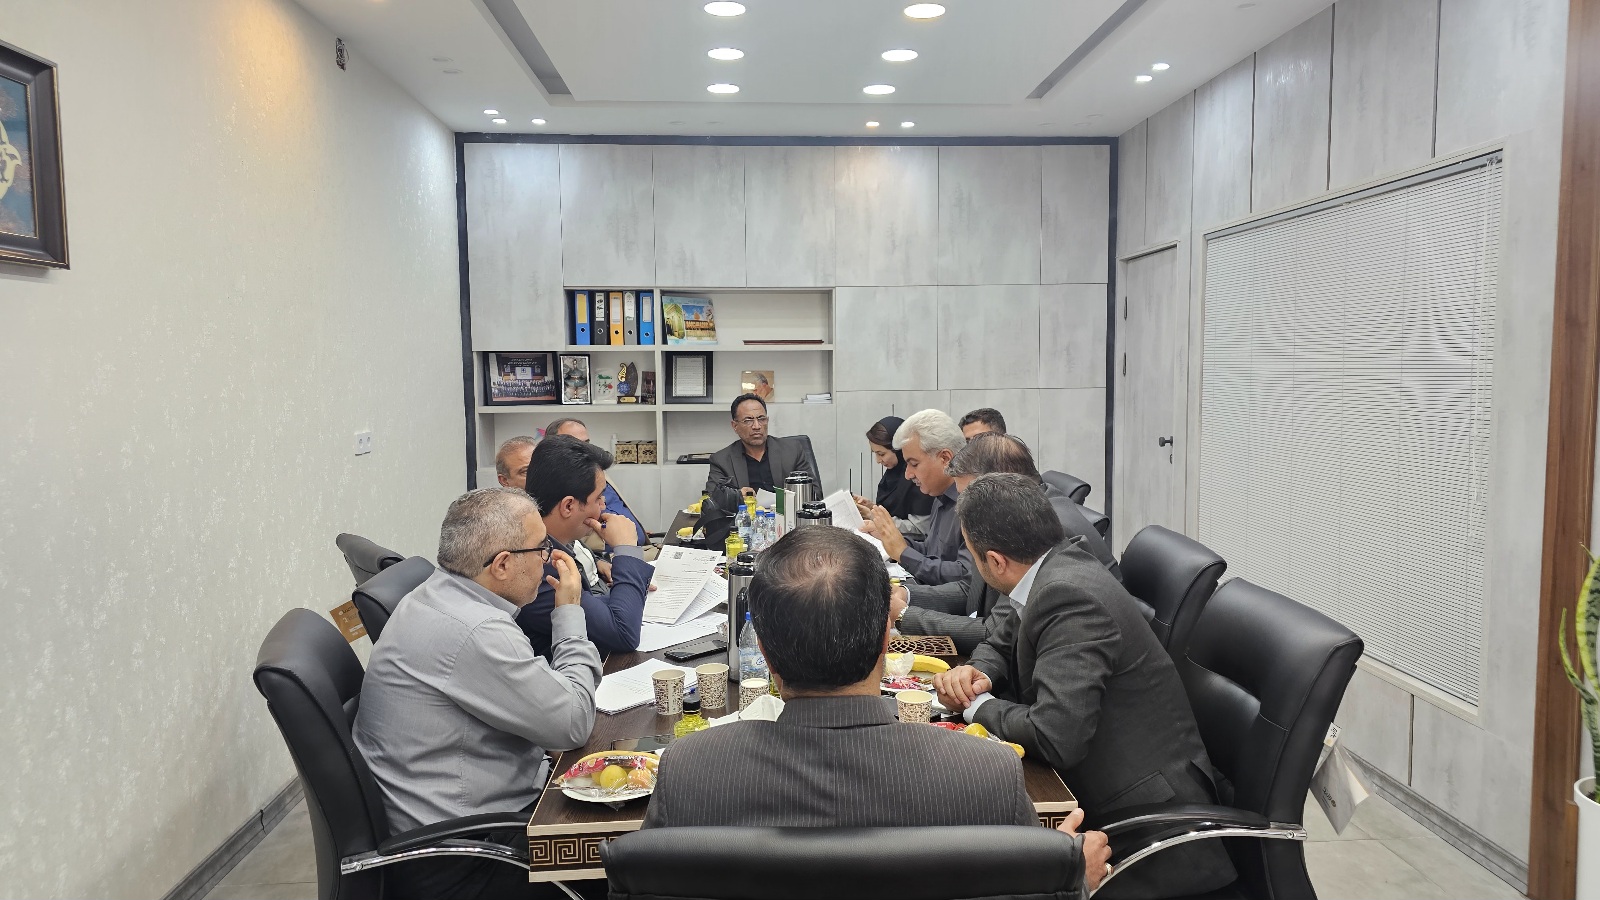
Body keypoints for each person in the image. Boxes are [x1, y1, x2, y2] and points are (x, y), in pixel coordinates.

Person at [641, 527, 1111, 896]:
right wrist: (1069, 883)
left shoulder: (689, 771)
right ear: (887, 638)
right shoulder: (986, 773)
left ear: (763, 652)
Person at [934, 474, 1236, 900]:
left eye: (972, 552)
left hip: (1146, 833)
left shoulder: (1069, 597)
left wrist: (975, 705)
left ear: (996, 562)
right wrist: (978, 671)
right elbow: (1003, 636)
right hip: (1105, 787)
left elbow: (1054, 736)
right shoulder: (1054, 562)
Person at [352, 488, 600, 900]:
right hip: (469, 860)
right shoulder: (475, 630)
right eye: (541, 548)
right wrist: (570, 611)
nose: (547, 558)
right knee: (639, 857)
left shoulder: (436, 594)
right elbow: (573, 724)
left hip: (452, 831)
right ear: (502, 564)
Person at [895, 434, 1120, 653]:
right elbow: (972, 589)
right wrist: (908, 595)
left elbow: (998, 632)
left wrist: (905, 616)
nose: (960, 510)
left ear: (1003, 486)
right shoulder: (1011, 515)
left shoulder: (1042, 529)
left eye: (966, 497)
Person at [514, 435, 652, 657]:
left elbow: (592, 606)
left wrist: (630, 588)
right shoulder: (537, 565)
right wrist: (626, 548)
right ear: (568, 506)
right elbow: (623, 634)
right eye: (598, 498)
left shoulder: (548, 542)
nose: (603, 506)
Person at [858, 409, 971, 586]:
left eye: (914, 464)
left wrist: (903, 554)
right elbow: (929, 550)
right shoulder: (939, 496)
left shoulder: (972, 505)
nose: (908, 474)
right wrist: (889, 537)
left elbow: (964, 577)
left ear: (945, 458)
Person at [543, 418, 648, 546]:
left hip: (642, 545)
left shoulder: (598, 472)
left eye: (586, 444)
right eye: (575, 445)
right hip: (613, 552)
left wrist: (636, 530)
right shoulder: (557, 488)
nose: (585, 451)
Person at [705, 393, 821, 496]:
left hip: (787, 513)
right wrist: (737, 496)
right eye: (748, 420)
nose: (757, 426)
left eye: (761, 419)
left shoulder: (792, 451)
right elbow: (711, 501)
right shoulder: (722, 460)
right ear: (735, 426)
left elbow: (815, 493)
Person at [850, 415, 934, 538]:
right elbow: (894, 511)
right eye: (875, 454)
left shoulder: (918, 477)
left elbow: (920, 529)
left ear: (899, 450)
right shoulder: (893, 474)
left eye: (881, 454)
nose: (878, 460)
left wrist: (873, 516)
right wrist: (872, 507)